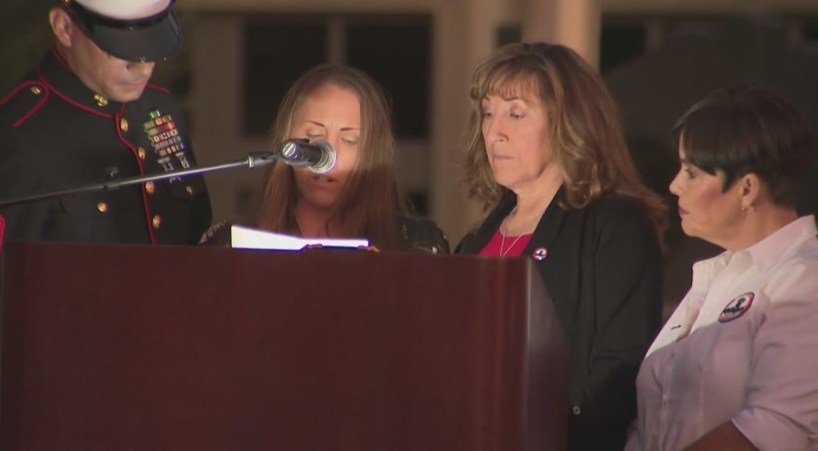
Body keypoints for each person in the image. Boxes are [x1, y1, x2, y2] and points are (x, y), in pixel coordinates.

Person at [0, 0, 211, 448]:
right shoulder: (13, 142)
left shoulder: (163, 116)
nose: (143, 65)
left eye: (153, 43)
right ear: (64, 28)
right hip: (65, 421)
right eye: (122, 46)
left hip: (167, 413)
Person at [455, 42, 666, 450]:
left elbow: (621, 372)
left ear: (568, 123)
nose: (493, 131)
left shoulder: (614, 225)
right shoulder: (473, 242)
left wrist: (530, 429)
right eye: (487, 112)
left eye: (515, 113)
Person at [625, 83, 818, 451]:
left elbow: (774, 427)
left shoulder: (804, 279)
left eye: (692, 172)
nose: (675, 185)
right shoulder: (717, 278)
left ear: (747, 189)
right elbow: (651, 422)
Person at [200, 63, 448, 253]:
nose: (327, 156)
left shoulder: (419, 245)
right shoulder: (230, 244)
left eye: (349, 140)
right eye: (314, 135)